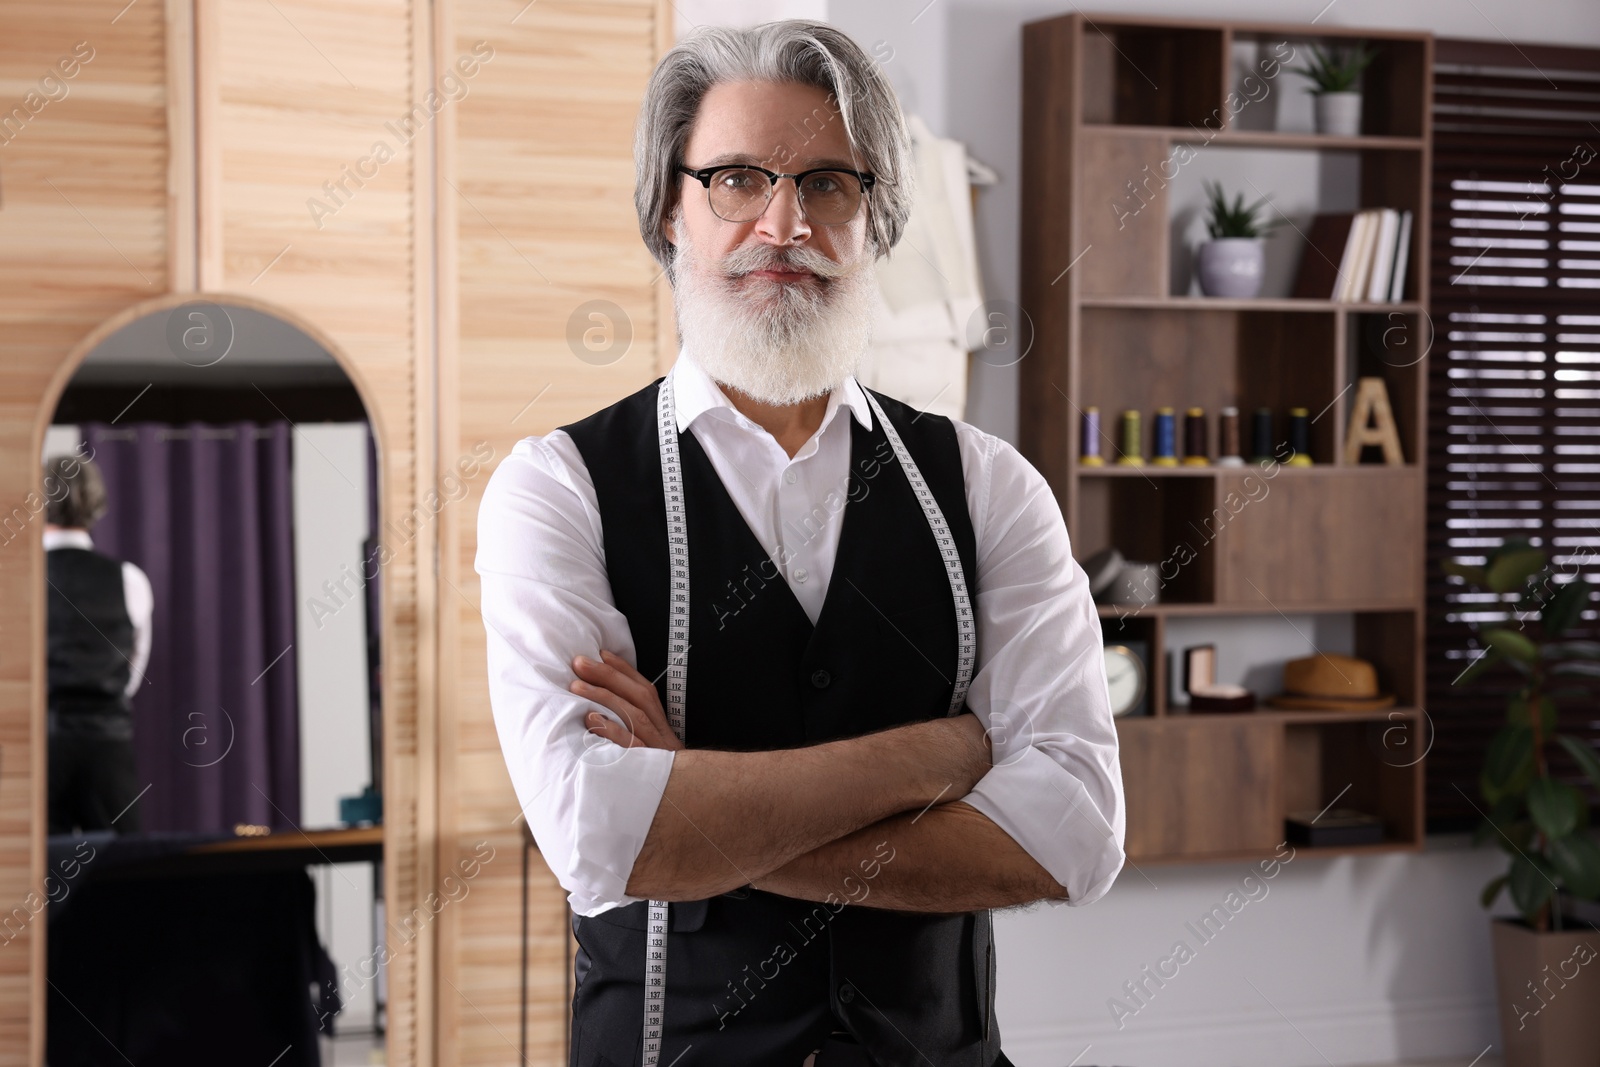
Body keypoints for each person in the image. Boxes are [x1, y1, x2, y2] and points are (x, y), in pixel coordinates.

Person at [476, 20, 1125, 1066]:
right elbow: (599, 835)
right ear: (668, 210)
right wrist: (946, 751)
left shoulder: (988, 486)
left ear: (874, 219)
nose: (784, 223)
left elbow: (1077, 835)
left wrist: (696, 807)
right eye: (737, 178)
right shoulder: (556, 489)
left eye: (828, 183)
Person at [44, 453, 152, 834]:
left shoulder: (14, 581)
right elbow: (132, 673)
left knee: (33, 878)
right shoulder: (129, 579)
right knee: (123, 877)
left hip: (41, 749)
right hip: (107, 748)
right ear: (96, 504)